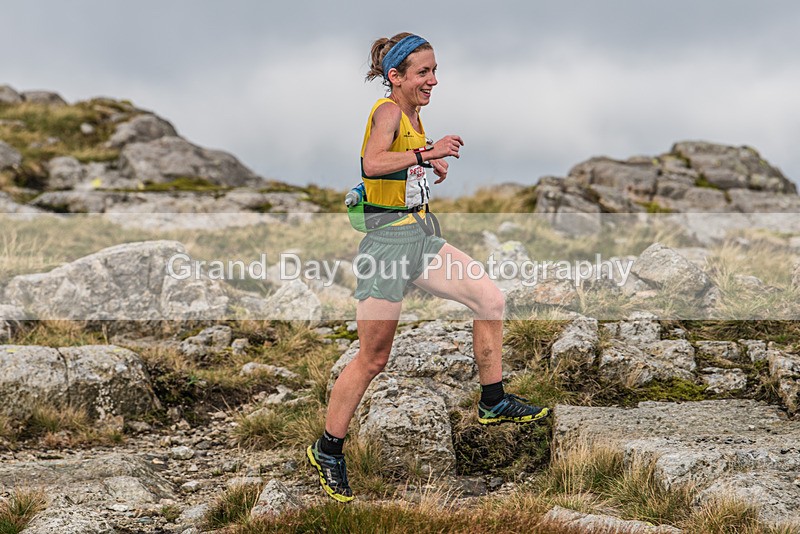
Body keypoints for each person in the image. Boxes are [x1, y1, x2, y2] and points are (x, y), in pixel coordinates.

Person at [306, 32, 549, 503]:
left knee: (490, 298)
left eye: (435, 70)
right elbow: (372, 164)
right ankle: (328, 449)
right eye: (423, 72)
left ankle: (493, 401)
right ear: (394, 77)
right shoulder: (388, 111)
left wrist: (422, 168)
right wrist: (425, 155)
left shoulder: (413, 114)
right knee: (373, 358)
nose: (433, 80)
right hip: (386, 247)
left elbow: (396, 166)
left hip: (420, 237)